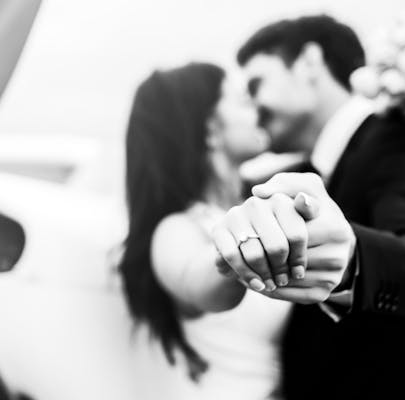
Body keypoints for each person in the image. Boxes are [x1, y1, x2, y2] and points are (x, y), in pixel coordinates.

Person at [211, 15, 405, 400]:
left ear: (309, 62)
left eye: (257, 84)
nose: (253, 107)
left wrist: (353, 260)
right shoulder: (301, 172)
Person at [117, 63, 314, 399]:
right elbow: (199, 282)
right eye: (242, 100)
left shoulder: (258, 199)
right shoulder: (175, 230)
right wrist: (235, 255)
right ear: (210, 129)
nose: (258, 109)